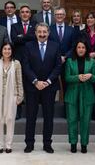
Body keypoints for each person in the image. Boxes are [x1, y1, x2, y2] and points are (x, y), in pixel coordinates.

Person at [22, 22, 61, 154]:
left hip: (49, 87)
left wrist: (48, 81)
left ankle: (47, 144)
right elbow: (26, 66)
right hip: (32, 87)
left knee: (49, 117)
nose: (42, 34)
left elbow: (58, 67)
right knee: (31, 116)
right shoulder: (28, 46)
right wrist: (35, 81)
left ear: (48, 33)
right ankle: (29, 143)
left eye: (44, 32)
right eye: (40, 32)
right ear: (36, 33)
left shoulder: (55, 46)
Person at [0, 42, 24, 153]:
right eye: (5, 49)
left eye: (9, 49)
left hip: (12, 96)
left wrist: (20, 96)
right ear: (1, 50)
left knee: (10, 120)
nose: (7, 51)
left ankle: (8, 145)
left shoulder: (16, 64)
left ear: (12, 51)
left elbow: (19, 81)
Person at [64, 39, 95, 154]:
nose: (81, 49)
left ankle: (84, 144)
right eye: (79, 47)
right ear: (75, 49)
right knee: (72, 120)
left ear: (86, 49)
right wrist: (78, 77)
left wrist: (90, 75)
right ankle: (73, 143)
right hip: (72, 94)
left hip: (87, 94)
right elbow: (67, 78)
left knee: (85, 121)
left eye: (83, 47)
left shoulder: (92, 62)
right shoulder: (69, 61)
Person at [10, 5, 36, 120]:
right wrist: (28, 37)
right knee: (17, 86)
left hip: (32, 60)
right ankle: (17, 112)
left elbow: (36, 38)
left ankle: (30, 113)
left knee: (30, 86)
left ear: (30, 14)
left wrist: (22, 37)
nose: (25, 14)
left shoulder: (35, 25)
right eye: (23, 12)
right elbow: (15, 40)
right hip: (18, 60)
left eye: (27, 12)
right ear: (19, 14)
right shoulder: (14, 26)